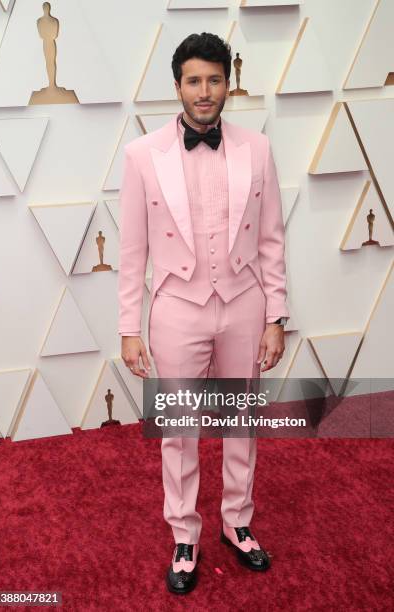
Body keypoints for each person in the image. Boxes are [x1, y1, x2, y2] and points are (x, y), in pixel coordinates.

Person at [118, 32, 290, 595]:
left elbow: (271, 240)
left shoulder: (257, 148)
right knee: (180, 428)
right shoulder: (143, 155)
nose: (204, 91)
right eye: (194, 80)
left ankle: (237, 523)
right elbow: (132, 252)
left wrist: (275, 315)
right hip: (177, 307)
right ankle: (184, 533)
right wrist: (128, 328)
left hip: (244, 303)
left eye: (214, 79)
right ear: (177, 86)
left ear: (227, 85)